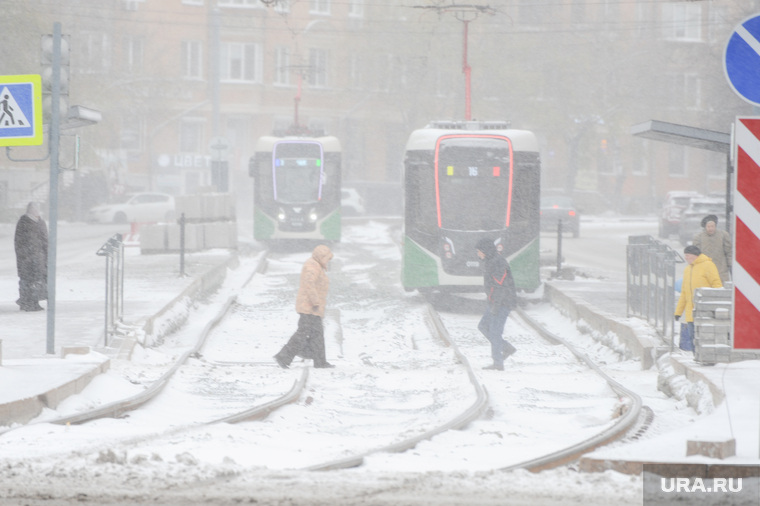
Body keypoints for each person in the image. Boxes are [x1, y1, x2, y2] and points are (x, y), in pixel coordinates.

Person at [274, 244, 335, 369]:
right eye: (327, 258)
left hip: (313, 307)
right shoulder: (312, 266)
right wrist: (315, 301)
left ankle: (320, 361)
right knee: (303, 333)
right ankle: (284, 356)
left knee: (317, 334)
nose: (328, 261)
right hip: (309, 307)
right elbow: (309, 284)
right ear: (321, 256)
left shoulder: (316, 265)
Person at [475, 238, 517, 371]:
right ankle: (506, 348)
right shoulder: (489, 261)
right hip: (494, 301)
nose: (478, 254)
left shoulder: (497, 262)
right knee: (483, 326)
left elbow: (499, 285)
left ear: (485, 251)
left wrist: (496, 305)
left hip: (502, 302)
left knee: (494, 332)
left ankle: (498, 362)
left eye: (479, 251)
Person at [674, 245, 722, 352]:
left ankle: (706, 358)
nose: (685, 258)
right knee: (693, 339)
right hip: (691, 313)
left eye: (687, 255)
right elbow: (684, 294)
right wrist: (678, 312)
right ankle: (697, 357)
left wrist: (717, 306)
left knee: (705, 338)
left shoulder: (708, 265)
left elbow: (716, 285)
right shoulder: (687, 270)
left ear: (695, 256)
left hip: (705, 312)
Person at [14, 202, 48, 312]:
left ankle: (34, 301)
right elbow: (18, 241)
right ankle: (26, 302)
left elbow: (45, 239)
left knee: (37, 280)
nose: (35, 211)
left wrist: (46, 254)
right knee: (27, 279)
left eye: (37, 209)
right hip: (27, 257)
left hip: (39, 257)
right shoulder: (24, 222)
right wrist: (24, 254)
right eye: (33, 209)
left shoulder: (40, 222)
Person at [691, 214, 731, 284]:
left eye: (712, 226)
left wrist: (730, 264)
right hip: (704, 271)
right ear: (705, 227)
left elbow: (729, 252)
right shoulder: (698, 238)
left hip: (721, 271)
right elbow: (695, 255)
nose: (711, 228)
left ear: (715, 226)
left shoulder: (723, 235)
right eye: (708, 226)